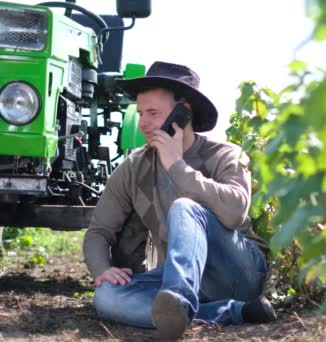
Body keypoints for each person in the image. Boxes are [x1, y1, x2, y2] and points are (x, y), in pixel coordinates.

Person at [83, 61, 276, 339]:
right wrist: (102, 269)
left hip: (237, 273)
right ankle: (232, 312)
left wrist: (177, 165)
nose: (143, 123)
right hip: (180, 276)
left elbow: (235, 214)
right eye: (140, 113)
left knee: (185, 207)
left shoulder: (226, 155)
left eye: (153, 113)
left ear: (182, 113)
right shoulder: (134, 167)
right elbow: (98, 233)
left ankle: (180, 301)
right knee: (107, 297)